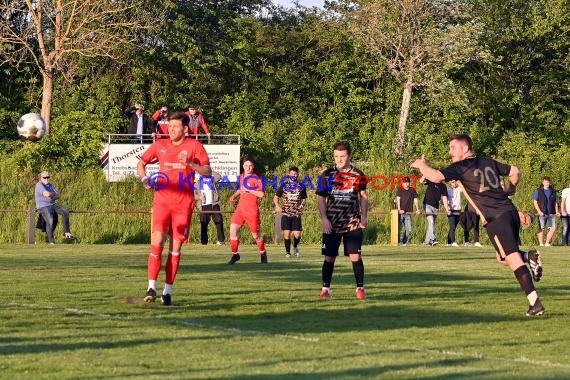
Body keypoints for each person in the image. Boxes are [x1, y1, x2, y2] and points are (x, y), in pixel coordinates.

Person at [411, 134, 545, 316]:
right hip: (510, 213)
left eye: (453, 147)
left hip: (497, 219)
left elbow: (434, 176)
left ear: (465, 148)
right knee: (503, 257)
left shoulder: (461, 166)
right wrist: (511, 189)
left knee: (512, 259)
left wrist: (421, 164)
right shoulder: (486, 161)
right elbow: (515, 171)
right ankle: (529, 256)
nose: (450, 152)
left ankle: (535, 303)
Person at [137, 111, 211, 306]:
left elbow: (207, 171)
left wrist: (189, 163)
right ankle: (151, 287)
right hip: (162, 202)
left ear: (185, 129)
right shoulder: (160, 145)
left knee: (175, 248)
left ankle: (167, 291)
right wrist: (144, 178)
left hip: (183, 205)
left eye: (175, 126)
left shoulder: (194, 146)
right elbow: (141, 163)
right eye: (169, 126)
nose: (171, 129)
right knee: (157, 242)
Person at [316, 141, 368, 300]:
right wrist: (324, 219)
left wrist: (364, 217)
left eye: (342, 156)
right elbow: (320, 198)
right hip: (332, 223)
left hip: (352, 221)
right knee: (329, 257)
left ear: (349, 156)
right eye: (336, 156)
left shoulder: (359, 174)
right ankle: (326, 288)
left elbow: (364, 197)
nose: (339, 159)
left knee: (355, 256)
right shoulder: (326, 175)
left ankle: (360, 288)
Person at [227, 158, 268, 264]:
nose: (248, 168)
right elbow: (241, 189)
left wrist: (249, 189)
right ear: (243, 166)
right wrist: (234, 196)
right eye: (246, 165)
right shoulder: (241, 177)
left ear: (253, 167)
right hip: (240, 210)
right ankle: (235, 255)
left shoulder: (256, 179)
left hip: (251, 210)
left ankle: (263, 253)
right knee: (233, 231)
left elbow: (261, 194)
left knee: (256, 236)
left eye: (250, 166)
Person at [273, 166, 307, 257]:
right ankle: (287, 252)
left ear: (297, 174)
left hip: (296, 213)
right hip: (286, 213)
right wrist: (277, 206)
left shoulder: (301, 186)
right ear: (289, 174)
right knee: (286, 234)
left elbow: (304, 199)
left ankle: (295, 247)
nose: (293, 175)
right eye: (292, 173)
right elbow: (276, 198)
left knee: (297, 235)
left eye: (295, 173)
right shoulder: (284, 185)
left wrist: (301, 206)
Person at [34, 171, 75, 244]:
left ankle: (67, 232)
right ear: (41, 178)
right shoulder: (39, 185)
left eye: (48, 177)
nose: (46, 179)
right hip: (43, 205)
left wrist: (51, 195)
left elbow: (58, 195)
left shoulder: (50, 185)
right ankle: (51, 241)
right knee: (50, 220)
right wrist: (53, 195)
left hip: (52, 204)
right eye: (44, 177)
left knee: (65, 211)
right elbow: (46, 194)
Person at [195, 171, 225, 246]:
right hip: (204, 205)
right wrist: (199, 197)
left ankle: (221, 241)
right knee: (204, 224)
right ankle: (204, 242)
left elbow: (219, 176)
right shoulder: (197, 184)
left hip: (214, 204)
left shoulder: (212, 179)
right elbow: (193, 195)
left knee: (219, 221)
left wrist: (209, 171)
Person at [420, 176, 449, 246]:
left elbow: (445, 198)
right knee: (431, 222)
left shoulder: (443, 186)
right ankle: (433, 239)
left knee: (431, 224)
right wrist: (425, 174)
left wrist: (447, 209)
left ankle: (427, 241)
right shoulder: (431, 181)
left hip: (436, 207)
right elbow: (421, 181)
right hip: (427, 205)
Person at [533, 176, 560, 247]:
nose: (547, 183)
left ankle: (547, 243)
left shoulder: (553, 191)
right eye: (545, 182)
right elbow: (535, 202)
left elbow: (555, 202)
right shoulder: (538, 191)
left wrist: (557, 211)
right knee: (541, 228)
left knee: (553, 228)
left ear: (549, 183)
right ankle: (541, 244)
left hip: (551, 213)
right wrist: (539, 211)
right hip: (542, 213)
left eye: (548, 182)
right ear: (543, 182)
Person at [395, 176, 421, 246]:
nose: (406, 184)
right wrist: (399, 209)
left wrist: (418, 209)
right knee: (398, 228)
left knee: (408, 229)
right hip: (400, 213)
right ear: (402, 183)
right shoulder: (400, 189)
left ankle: (404, 242)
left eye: (407, 182)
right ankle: (398, 242)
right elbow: (398, 199)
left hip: (408, 212)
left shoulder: (412, 190)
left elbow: (415, 200)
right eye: (404, 182)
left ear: (409, 183)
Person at [446, 180, 462, 246]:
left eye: (455, 182)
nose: (454, 183)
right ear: (450, 183)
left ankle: (449, 242)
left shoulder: (459, 189)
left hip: (458, 210)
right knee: (452, 226)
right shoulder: (447, 190)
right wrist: (448, 206)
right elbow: (442, 201)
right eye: (452, 182)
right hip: (451, 210)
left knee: (453, 227)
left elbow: (462, 185)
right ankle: (453, 242)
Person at [561, 181, 570, 246]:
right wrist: (563, 211)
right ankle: (564, 243)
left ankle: (569, 243)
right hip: (565, 213)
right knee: (566, 227)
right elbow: (563, 202)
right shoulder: (566, 191)